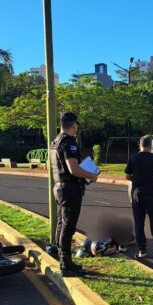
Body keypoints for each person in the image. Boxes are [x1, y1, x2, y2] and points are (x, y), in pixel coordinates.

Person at [50, 112, 98, 276]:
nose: (77, 129)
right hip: (70, 189)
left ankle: (63, 258)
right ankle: (66, 264)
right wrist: (91, 175)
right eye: (77, 126)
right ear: (74, 125)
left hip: (59, 187)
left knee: (61, 224)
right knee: (68, 226)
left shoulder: (55, 142)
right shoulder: (69, 143)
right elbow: (74, 169)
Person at [125, 135, 153, 258]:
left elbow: (127, 176)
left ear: (140, 144)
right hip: (151, 194)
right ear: (151, 146)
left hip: (137, 193)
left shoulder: (133, 158)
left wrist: (136, 180)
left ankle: (142, 250)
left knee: (139, 223)